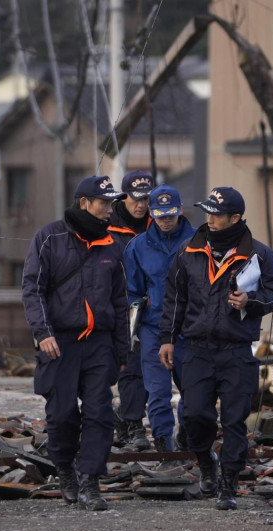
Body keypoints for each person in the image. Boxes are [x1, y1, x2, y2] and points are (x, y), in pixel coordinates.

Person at [159, 187, 273, 510]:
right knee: (194, 414)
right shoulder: (189, 251)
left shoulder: (260, 254)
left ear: (235, 218)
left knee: (234, 420)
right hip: (198, 349)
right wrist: (167, 338)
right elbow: (175, 298)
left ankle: (228, 485)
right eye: (208, 213)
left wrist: (251, 300)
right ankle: (206, 464)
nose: (210, 220)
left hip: (237, 350)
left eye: (217, 215)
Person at [21, 176, 128, 512]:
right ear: (85, 203)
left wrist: (122, 351)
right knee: (62, 415)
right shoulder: (48, 238)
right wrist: (43, 333)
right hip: (59, 343)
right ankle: (65, 469)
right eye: (105, 203)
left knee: (100, 414)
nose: (110, 210)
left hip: (99, 345)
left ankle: (91, 482)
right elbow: (32, 290)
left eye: (112, 204)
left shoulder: (112, 245)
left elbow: (120, 302)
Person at [123, 185, 196, 455]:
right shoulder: (137, 247)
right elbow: (131, 290)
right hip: (153, 329)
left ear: (180, 212)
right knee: (158, 393)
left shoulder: (199, 242)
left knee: (194, 392)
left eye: (171, 215)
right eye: (160, 215)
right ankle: (164, 448)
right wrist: (136, 319)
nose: (166, 221)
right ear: (152, 214)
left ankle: (186, 438)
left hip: (190, 330)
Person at [109, 170, 155, 451]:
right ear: (123, 196)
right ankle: (135, 425)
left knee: (153, 371)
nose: (141, 205)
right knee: (131, 368)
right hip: (118, 308)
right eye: (136, 199)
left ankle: (124, 417)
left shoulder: (159, 224)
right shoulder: (106, 227)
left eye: (146, 199)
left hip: (153, 307)